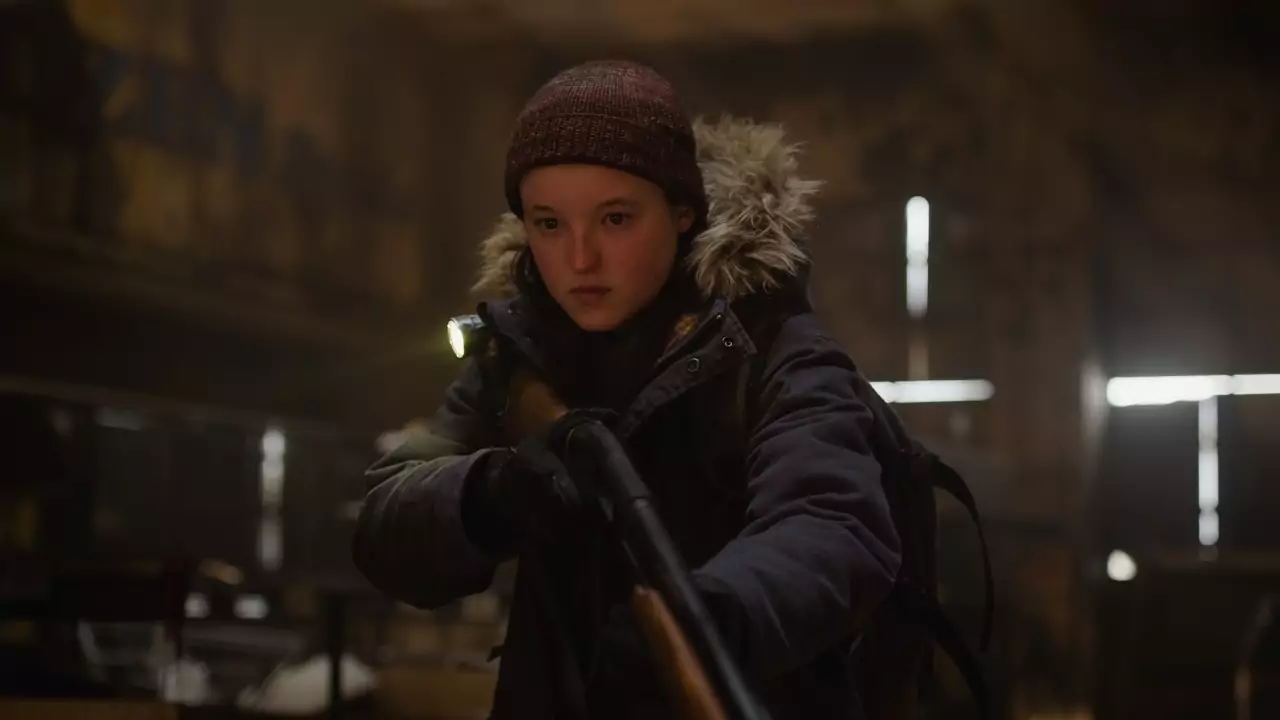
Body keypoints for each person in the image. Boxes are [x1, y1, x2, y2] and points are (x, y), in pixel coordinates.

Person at [352, 60, 902, 719]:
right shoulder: (519, 358)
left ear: (681, 213)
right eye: (549, 224)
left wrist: (713, 615)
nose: (580, 258)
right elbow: (384, 525)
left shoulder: (774, 350)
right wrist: (488, 495)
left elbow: (835, 524)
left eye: (615, 219)